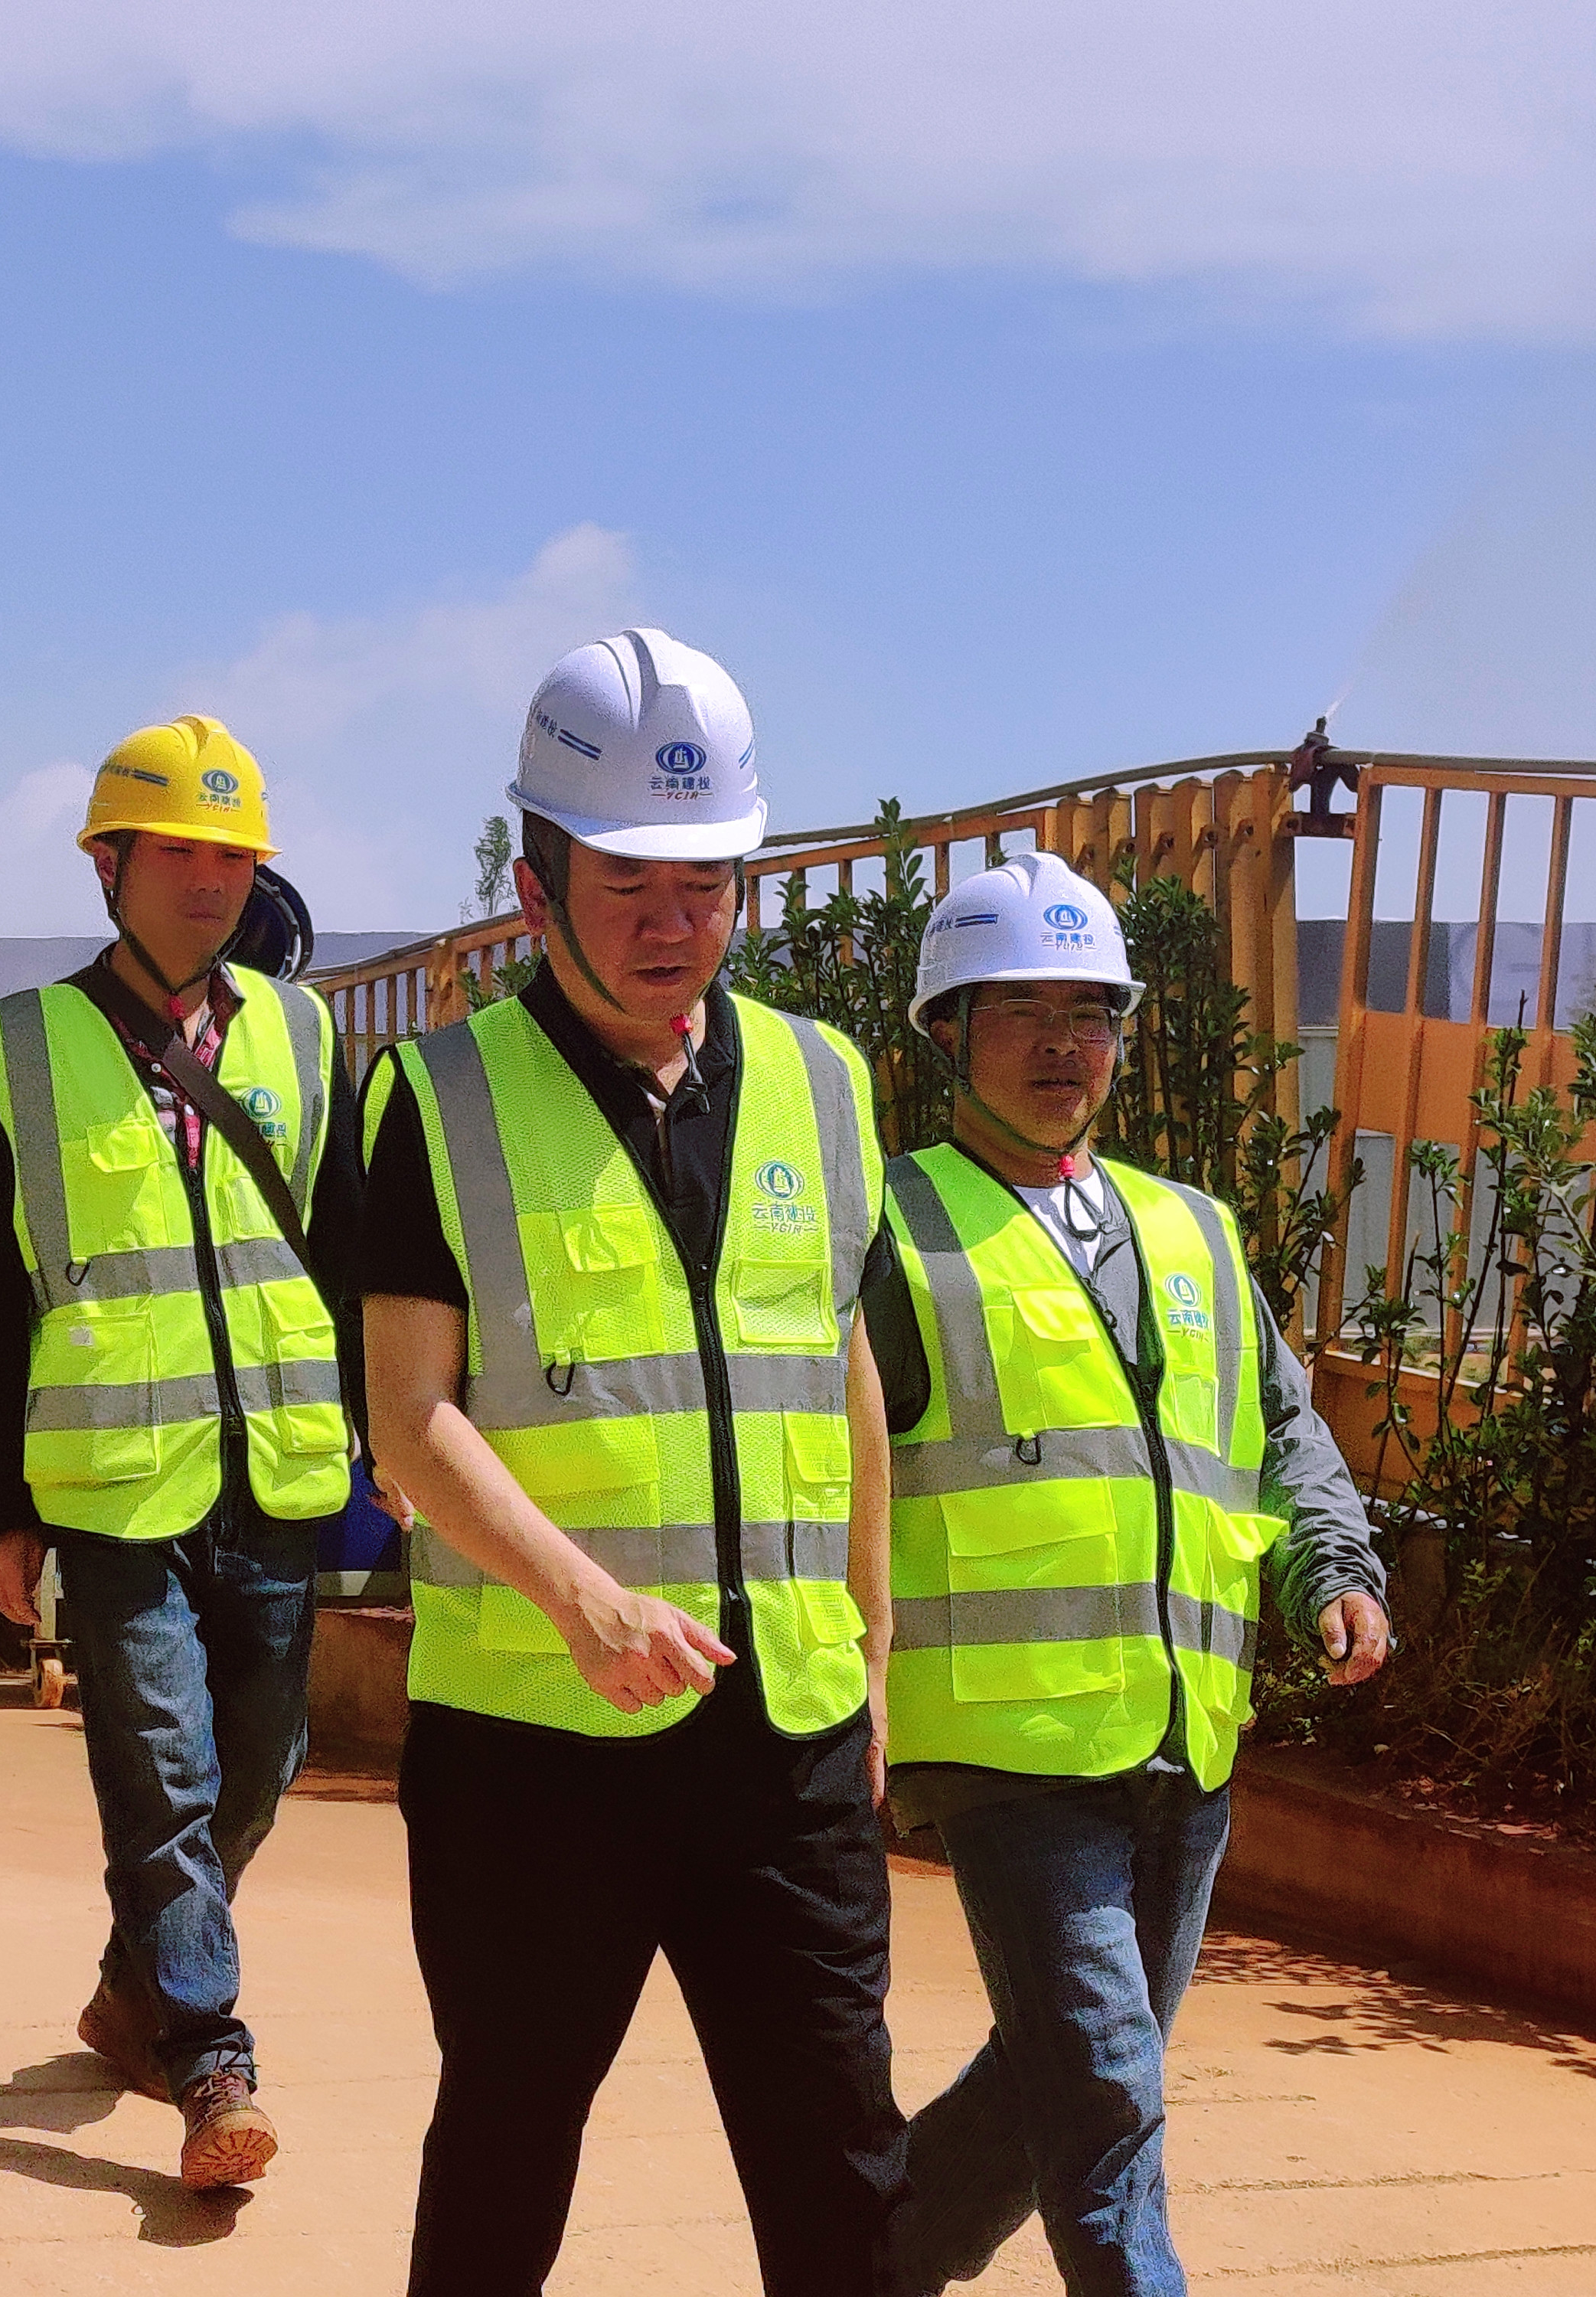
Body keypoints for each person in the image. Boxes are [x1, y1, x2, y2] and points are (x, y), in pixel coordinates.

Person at [359, 629, 902, 2297]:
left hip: (786, 1741)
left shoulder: (823, 1083)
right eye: (628, 883)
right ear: (535, 886)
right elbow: (408, 1417)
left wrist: (872, 1659)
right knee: (507, 2149)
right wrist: (583, 1603)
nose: (675, 923)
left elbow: (843, 1379)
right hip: (537, 1747)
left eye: (707, 882)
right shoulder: (437, 1097)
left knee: (844, 2174)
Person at [871, 851, 1394, 2297]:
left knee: (1073, 2069)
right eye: (1021, 1010)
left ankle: (869, 2265)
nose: (1064, 1044)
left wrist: (1330, 1569)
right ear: (947, 1031)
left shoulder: (1195, 1233)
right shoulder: (890, 1231)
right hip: (1006, 1747)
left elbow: (1281, 1432)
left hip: (1186, 1731)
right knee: (1107, 2093)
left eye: (1091, 1013)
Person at [0, 715, 367, 2192]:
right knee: (165, 1772)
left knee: (259, 1769)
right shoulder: (17, 1041)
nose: (209, 882)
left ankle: (135, 1992)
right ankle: (210, 2059)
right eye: (180, 853)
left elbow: (342, 1252)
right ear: (108, 865)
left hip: (278, 1473)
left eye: (233, 857)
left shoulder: (306, 1034)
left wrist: (387, 1446)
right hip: (116, 1485)